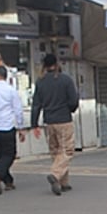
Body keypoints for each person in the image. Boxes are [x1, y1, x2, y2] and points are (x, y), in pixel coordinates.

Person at [30, 53, 79, 196]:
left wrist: (34, 124)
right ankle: (55, 174)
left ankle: (63, 183)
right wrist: (70, 109)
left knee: (56, 151)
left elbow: (36, 105)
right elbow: (73, 101)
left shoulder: (40, 82)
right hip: (64, 120)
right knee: (67, 151)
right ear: (56, 64)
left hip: (49, 121)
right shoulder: (65, 80)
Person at [0, 64, 25, 194]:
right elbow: (18, 110)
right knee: (9, 154)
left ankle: (8, 181)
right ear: (6, 76)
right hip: (7, 127)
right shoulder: (10, 90)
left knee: (1, 154)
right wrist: (20, 127)